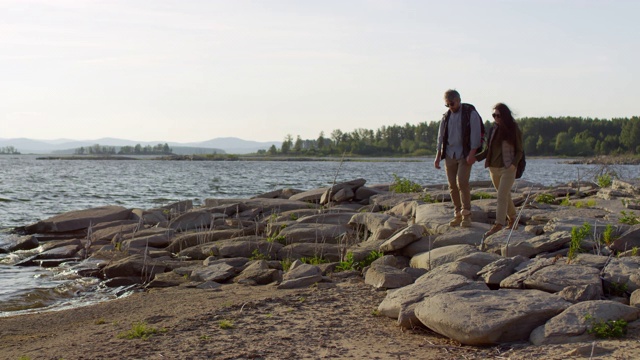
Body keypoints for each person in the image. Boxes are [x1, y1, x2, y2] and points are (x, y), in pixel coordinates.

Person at [434, 89, 483, 227]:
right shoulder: (446, 116)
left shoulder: (470, 114)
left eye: (452, 103)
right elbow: (440, 137)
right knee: (452, 185)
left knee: (462, 182)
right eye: (447, 104)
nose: (450, 107)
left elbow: (476, 134)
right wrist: (438, 156)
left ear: (459, 100)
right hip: (449, 153)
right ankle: (457, 214)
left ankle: (466, 214)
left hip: (465, 154)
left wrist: (472, 153)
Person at [482, 103, 523, 238]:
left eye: (498, 115)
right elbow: (488, 150)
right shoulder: (493, 129)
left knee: (501, 196)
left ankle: (499, 224)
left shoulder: (513, 129)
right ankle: (513, 219)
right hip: (493, 168)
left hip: (507, 168)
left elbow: (519, 150)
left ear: (504, 115)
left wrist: (513, 164)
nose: (496, 118)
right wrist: (474, 158)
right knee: (505, 195)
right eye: (494, 115)